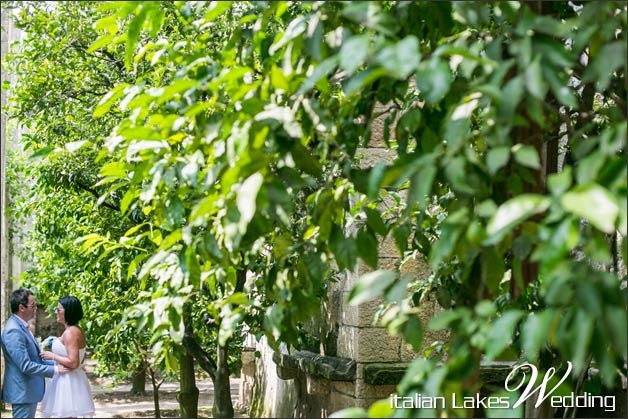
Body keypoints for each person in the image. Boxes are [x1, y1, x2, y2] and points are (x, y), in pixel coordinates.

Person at [1, 288, 68, 418]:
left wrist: (60, 361)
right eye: (33, 305)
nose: (36, 308)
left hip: (28, 392)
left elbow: (36, 358)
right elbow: (25, 366)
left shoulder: (22, 326)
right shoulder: (13, 331)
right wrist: (55, 369)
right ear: (21, 307)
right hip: (22, 392)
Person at [39, 296, 95, 418]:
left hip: (68, 382)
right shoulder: (75, 330)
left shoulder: (71, 333)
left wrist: (52, 355)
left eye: (59, 310)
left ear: (68, 312)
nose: (55, 312)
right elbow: (81, 358)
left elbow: (74, 362)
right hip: (68, 378)